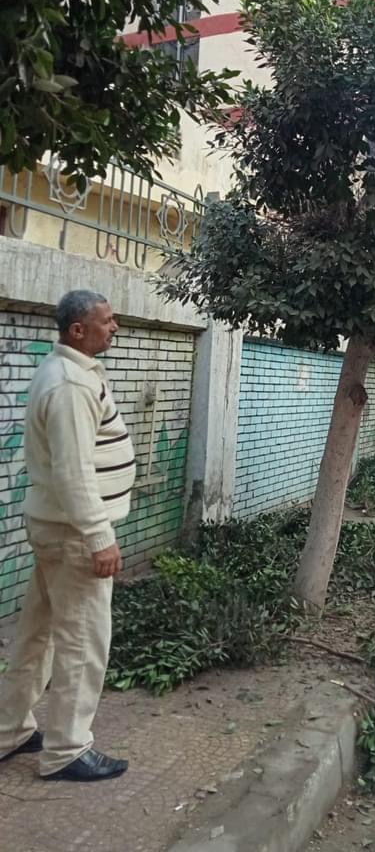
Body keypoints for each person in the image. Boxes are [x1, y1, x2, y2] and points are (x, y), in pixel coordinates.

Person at [0, 290, 135, 782]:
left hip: (56, 529)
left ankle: (9, 729)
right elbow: (73, 473)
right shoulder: (71, 385)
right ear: (78, 330)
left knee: (38, 637)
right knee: (81, 642)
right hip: (75, 534)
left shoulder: (66, 373)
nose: (114, 327)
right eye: (106, 321)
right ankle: (67, 750)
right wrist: (101, 538)